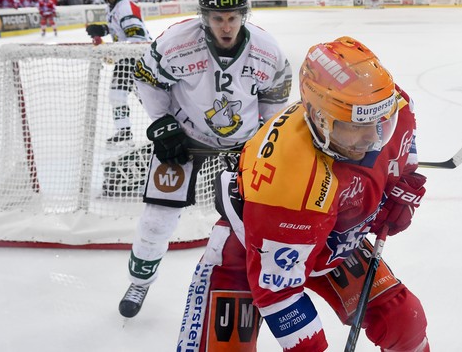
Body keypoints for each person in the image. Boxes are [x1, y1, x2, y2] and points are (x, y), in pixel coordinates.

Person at [178, 37, 430, 351]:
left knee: (404, 320)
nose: (373, 139)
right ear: (319, 118)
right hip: (249, 253)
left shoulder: (393, 108)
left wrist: (399, 189)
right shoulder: (289, 178)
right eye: (355, 126)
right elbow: (277, 291)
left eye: (381, 122)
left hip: (334, 242)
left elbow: (401, 152)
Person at [117, 0, 292, 318]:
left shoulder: (267, 51)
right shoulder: (176, 42)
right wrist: (160, 123)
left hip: (243, 143)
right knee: (158, 216)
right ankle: (140, 280)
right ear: (204, 16)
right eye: (217, 18)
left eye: (232, 18)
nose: (226, 27)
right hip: (185, 137)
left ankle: (259, 284)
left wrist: (264, 142)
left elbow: (275, 102)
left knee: (252, 216)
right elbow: (146, 78)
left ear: (244, 15)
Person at [85, 0, 152, 146]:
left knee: (149, 98)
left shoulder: (125, 8)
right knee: (118, 95)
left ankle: (174, 126)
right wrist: (102, 29)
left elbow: (137, 37)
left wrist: (116, 53)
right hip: (126, 57)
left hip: (136, 58)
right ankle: (124, 132)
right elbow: (117, 28)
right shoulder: (114, 7)